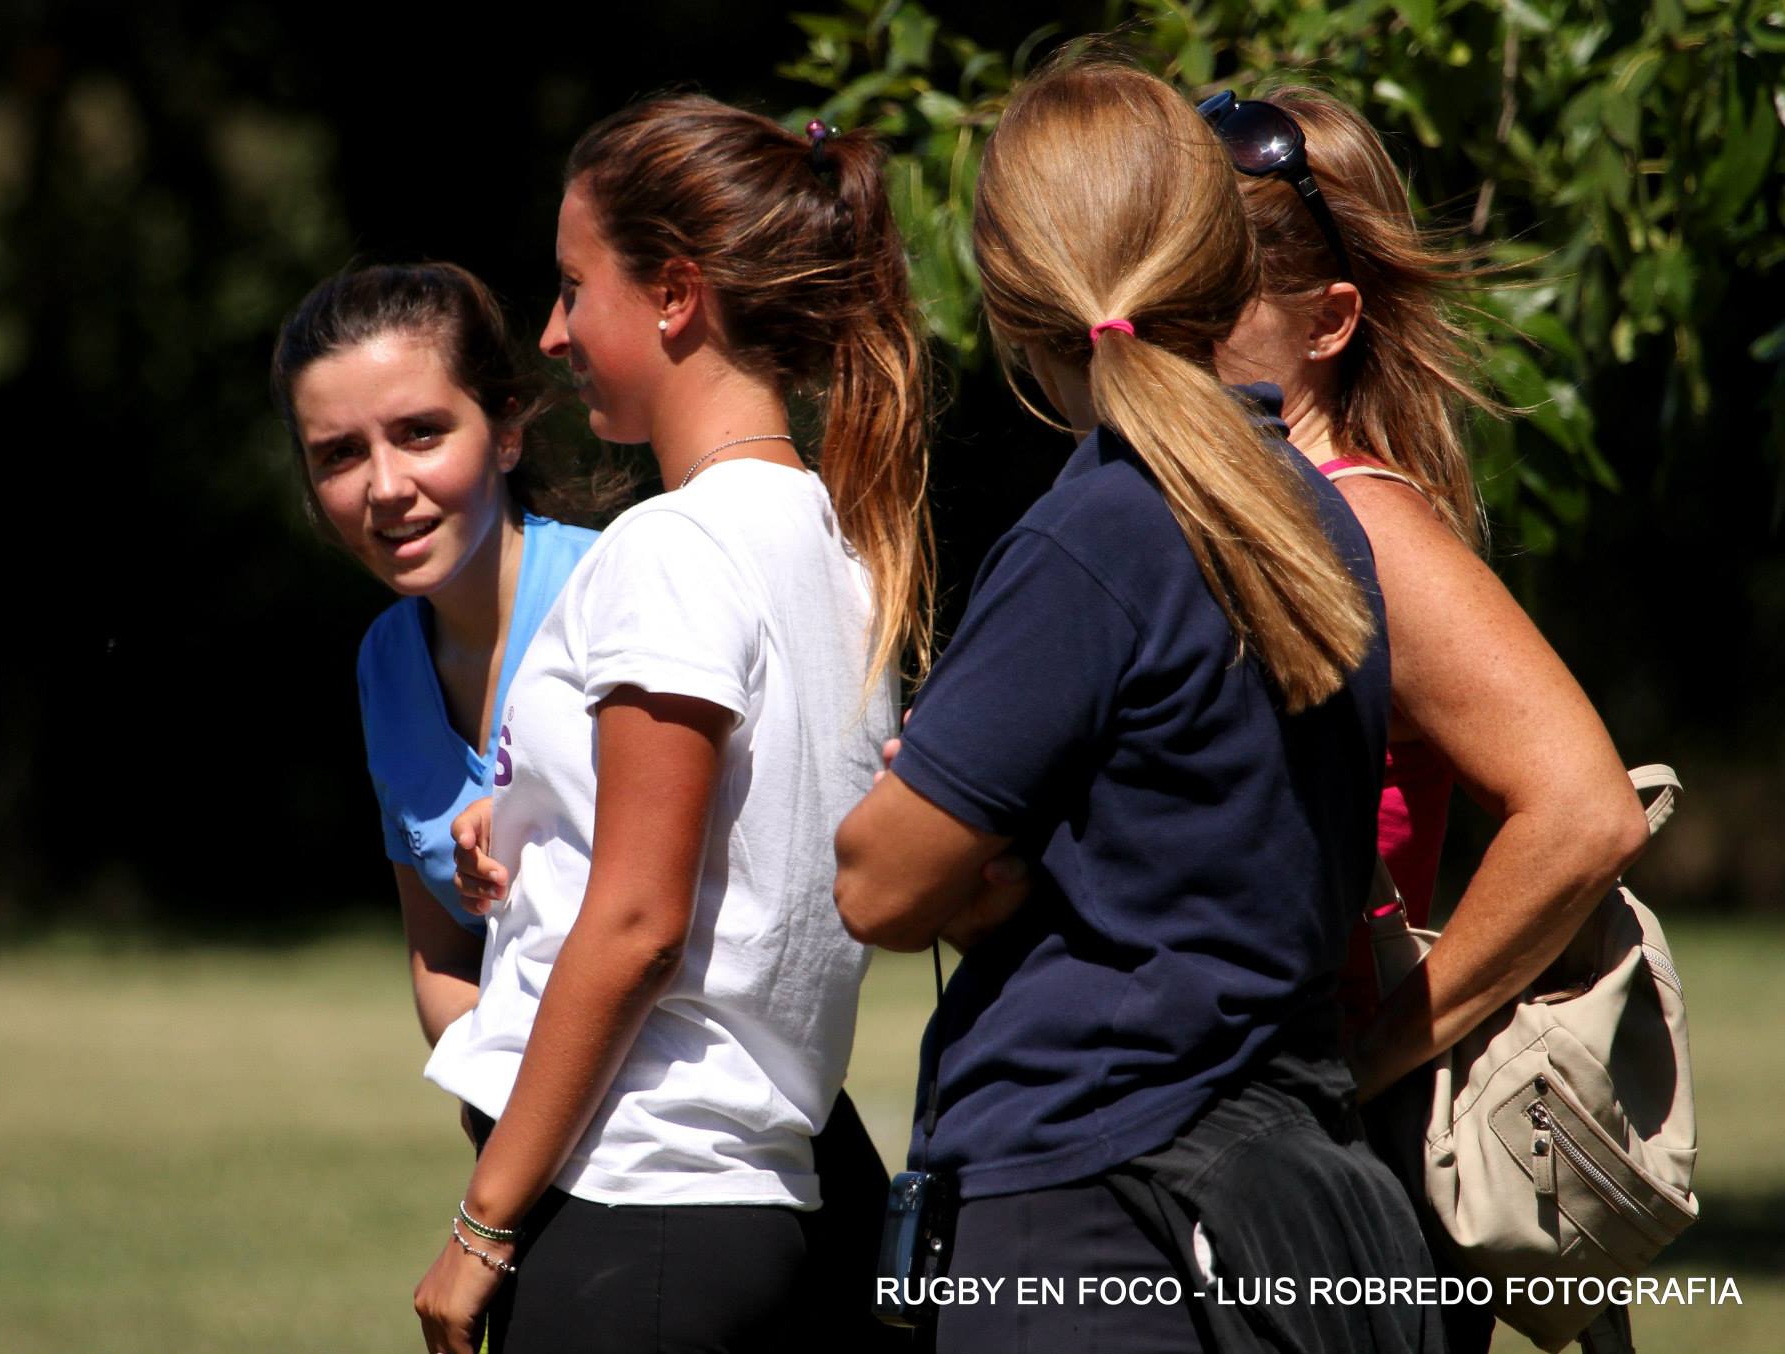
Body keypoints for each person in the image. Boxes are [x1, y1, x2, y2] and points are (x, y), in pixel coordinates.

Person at [834, 55, 1440, 1353]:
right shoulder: (1309, 508)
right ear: (1225, 267)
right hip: (1295, 1191)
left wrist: (979, 862)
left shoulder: (1099, 532)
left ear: (1007, 306)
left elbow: (879, 886)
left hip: (1092, 1212)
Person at [411, 96, 932, 1354]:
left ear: (675, 295)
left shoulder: (673, 547)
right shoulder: (840, 547)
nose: (551, 331)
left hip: (635, 1204)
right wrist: (532, 823)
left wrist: (484, 1224)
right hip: (774, 1200)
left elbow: (642, 923)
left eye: (572, 286)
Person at [1208, 85, 1650, 1351]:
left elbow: (1582, 812)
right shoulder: (1284, 514)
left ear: (1328, 320)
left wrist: (1362, 1065)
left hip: (1326, 1161)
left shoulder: (1359, 521)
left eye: (1213, 292)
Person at [270, 262, 601, 1060]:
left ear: (508, 431)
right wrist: (489, 1090)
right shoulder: (385, 662)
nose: (386, 486)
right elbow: (442, 960)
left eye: (420, 433)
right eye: (341, 454)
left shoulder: (614, 593)